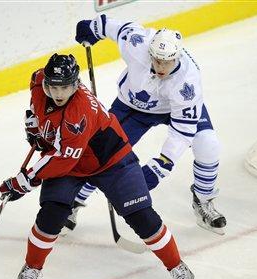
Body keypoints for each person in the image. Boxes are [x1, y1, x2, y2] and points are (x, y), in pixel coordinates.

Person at [0, 53, 200, 279]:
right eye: (54, 87)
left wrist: (23, 181)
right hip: (71, 162)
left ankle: (177, 266)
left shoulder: (78, 113)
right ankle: (32, 268)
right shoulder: (39, 80)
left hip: (111, 161)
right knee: (51, 215)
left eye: (65, 88)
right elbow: (35, 100)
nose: (59, 94)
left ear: (76, 84)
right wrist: (34, 123)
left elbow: (63, 159)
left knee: (142, 218)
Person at [69, 15, 226, 235]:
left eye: (167, 62)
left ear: (177, 57)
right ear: (150, 52)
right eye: (157, 60)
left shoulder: (187, 84)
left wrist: (161, 166)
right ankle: (72, 202)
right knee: (100, 151)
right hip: (132, 107)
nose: (161, 66)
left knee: (208, 144)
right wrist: (93, 27)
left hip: (174, 109)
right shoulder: (138, 43)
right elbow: (117, 26)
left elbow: (182, 133)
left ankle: (203, 199)